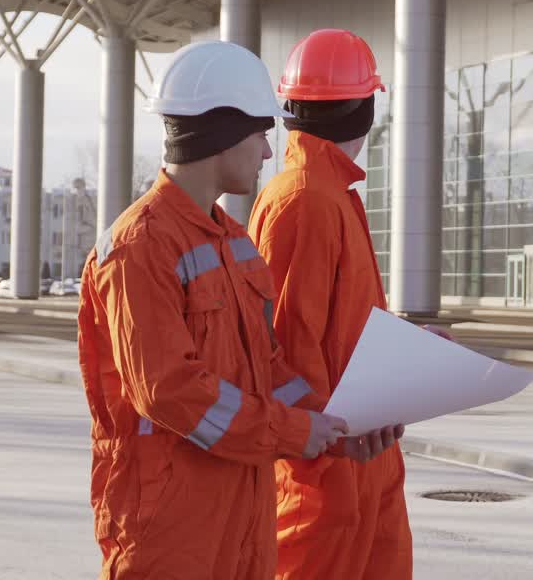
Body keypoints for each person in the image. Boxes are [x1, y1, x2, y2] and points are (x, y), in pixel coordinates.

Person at [75, 40, 350, 580]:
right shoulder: (140, 246)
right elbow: (170, 390)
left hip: (242, 510)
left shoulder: (235, 242)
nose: (269, 153)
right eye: (260, 135)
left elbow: (266, 370)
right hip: (168, 526)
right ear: (223, 135)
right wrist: (294, 432)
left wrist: (335, 427)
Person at [249, 29, 450, 579]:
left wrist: (415, 354)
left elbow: (345, 327)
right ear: (365, 109)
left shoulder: (330, 194)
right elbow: (282, 347)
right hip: (327, 468)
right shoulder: (305, 199)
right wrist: (323, 440)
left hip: (363, 455)